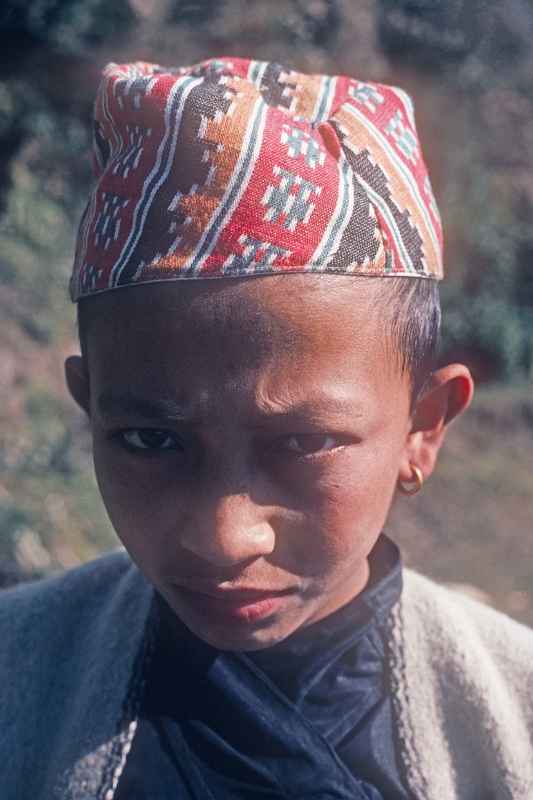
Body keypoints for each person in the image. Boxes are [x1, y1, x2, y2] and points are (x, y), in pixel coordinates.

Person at [1, 57, 532, 800]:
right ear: (91, 406)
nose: (223, 538)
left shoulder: (514, 716)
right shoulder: (18, 675)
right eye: (152, 440)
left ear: (422, 427)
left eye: (302, 443)